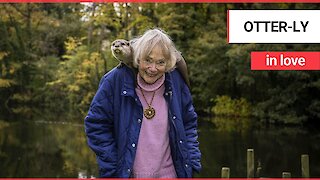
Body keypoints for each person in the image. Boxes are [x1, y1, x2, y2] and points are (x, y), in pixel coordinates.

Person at [84, 28, 201, 178]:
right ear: (138, 58)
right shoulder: (114, 81)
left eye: (160, 62)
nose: (153, 68)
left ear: (168, 62)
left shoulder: (176, 82)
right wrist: (113, 166)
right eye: (148, 60)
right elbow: (96, 125)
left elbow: (189, 123)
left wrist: (192, 161)